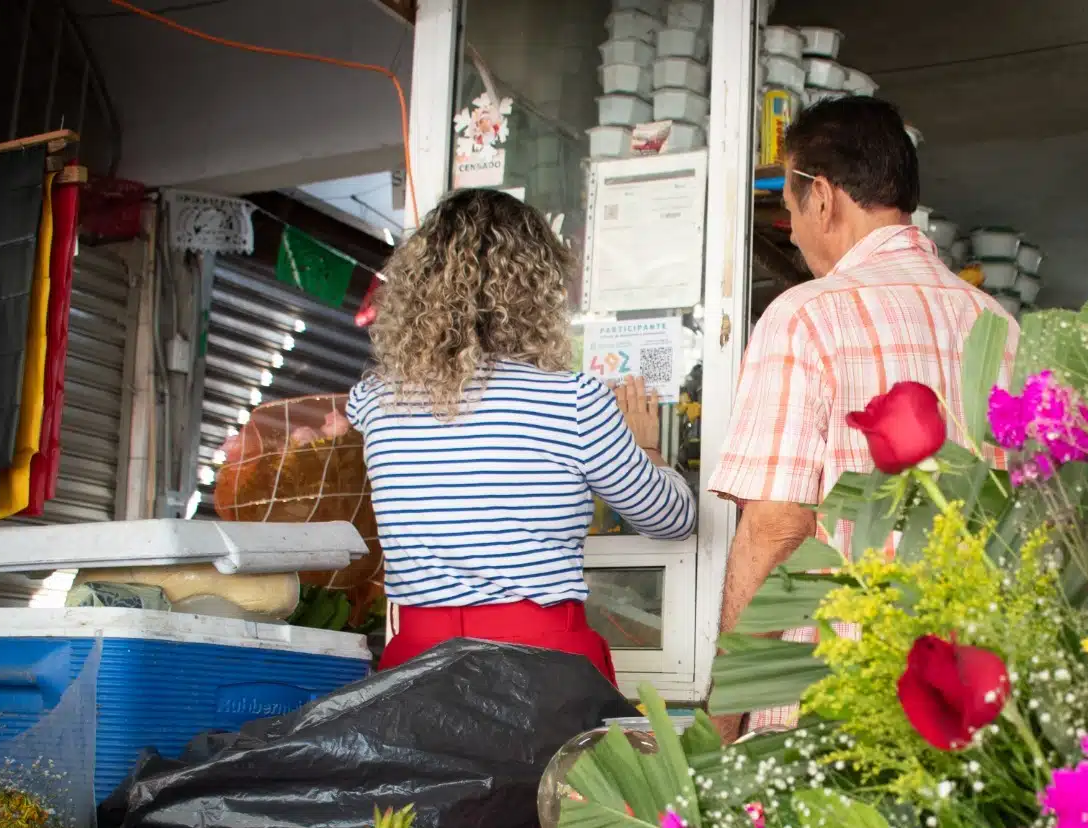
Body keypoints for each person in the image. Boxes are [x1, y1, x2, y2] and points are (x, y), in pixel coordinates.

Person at [708, 97, 1019, 731]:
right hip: (968, 699)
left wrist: (720, 725)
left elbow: (773, 528)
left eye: (791, 210)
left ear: (821, 196)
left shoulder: (805, 316)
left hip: (833, 705)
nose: (792, 233)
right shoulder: (1000, 325)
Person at [349, 189, 696, 680]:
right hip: (539, 664)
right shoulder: (572, 400)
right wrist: (648, 449)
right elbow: (671, 518)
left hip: (415, 665)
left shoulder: (375, 403)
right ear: (535, 290)